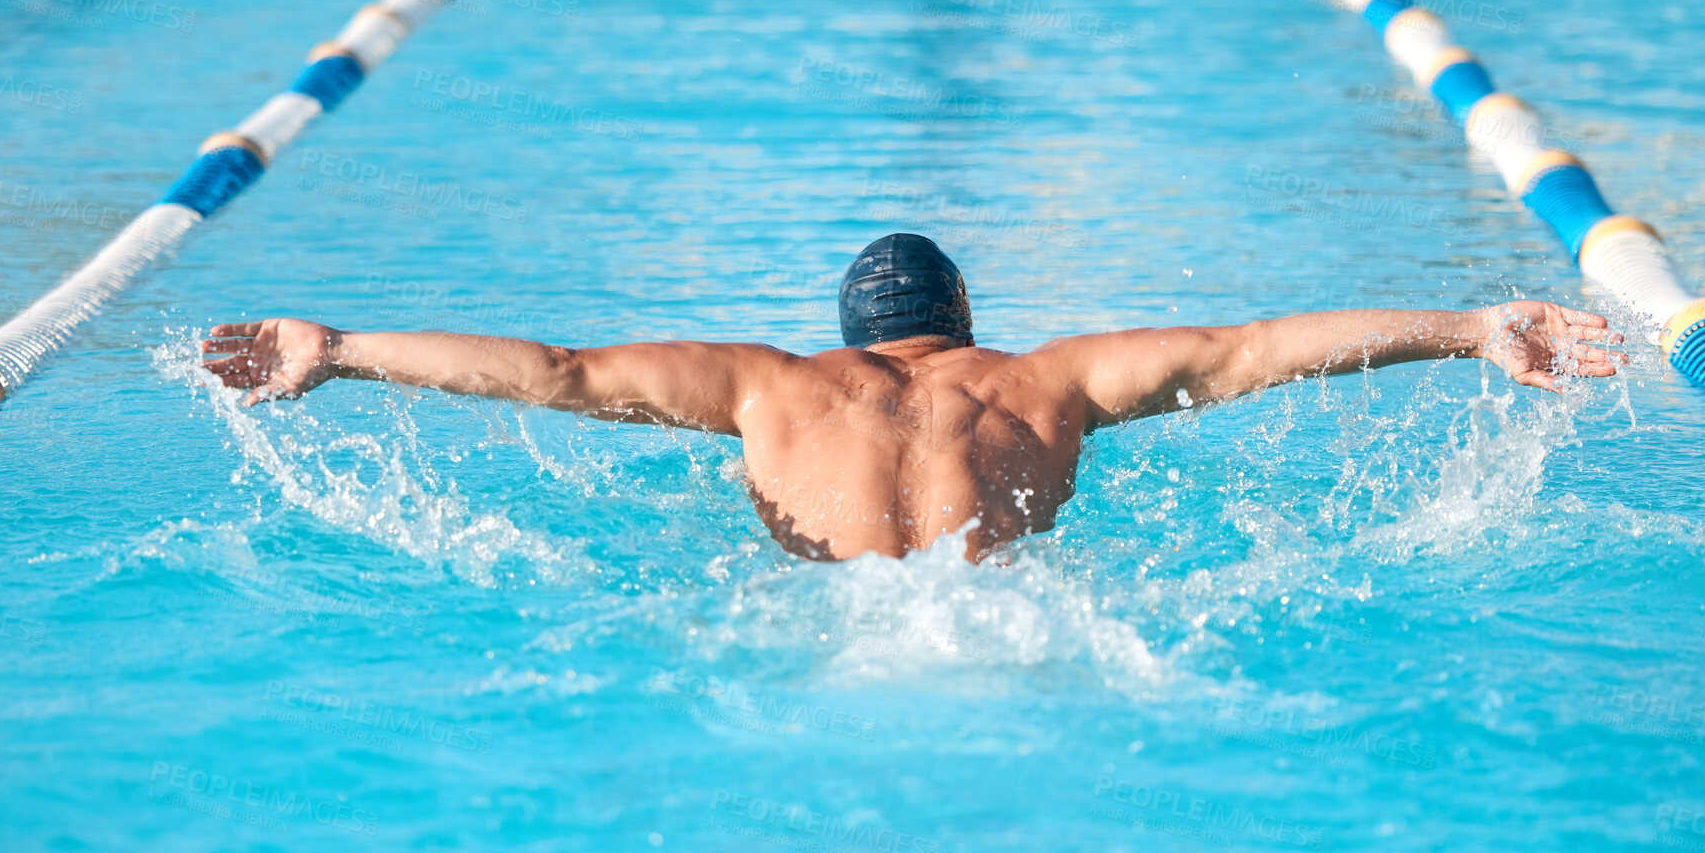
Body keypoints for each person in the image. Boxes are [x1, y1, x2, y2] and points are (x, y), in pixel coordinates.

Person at [201, 233, 1625, 563]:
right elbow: (1247, 349)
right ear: (963, 326)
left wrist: (344, 344)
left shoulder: (763, 386)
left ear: (848, 334)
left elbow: (554, 374)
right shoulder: (1047, 380)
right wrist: (1465, 326)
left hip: (816, 650)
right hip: (1019, 637)